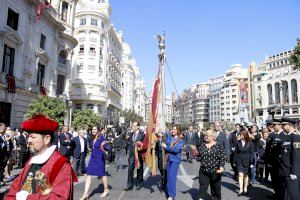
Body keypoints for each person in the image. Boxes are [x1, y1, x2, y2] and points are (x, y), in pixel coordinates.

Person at [5, 114, 77, 199]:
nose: (28, 140)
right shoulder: (32, 160)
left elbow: (60, 197)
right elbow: (15, 186)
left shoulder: (61, 164)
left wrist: (27, 198)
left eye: (32, 137)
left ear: (46, 139)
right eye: (28, 137)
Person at [80, 126, 110, 199]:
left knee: (102, 174)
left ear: (98, 130)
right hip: (92, 158)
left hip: (99, 158)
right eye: (92, 129)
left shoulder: (101, 137)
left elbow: (107, 147)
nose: (93, 130)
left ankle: (106, 190)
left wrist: (105, 144)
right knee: (89, 175)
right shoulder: (91, 137)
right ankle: (85, 194)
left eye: (95, 129)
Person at [197, 129, 226, 200]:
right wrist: (195, 152)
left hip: (215, 171)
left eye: (207, 135)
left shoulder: (219, 145)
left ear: (213, 137)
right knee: (202, 187)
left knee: (216, 190)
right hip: (204, 170)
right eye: (205, 135)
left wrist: (222, 167)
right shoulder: (202, 145)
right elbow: (199, 156)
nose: (205, 137)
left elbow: (222, 157)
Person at [161, 125, 184, 200]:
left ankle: (172, 195)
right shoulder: (169, 137)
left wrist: (166, 147)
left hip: (175, 160)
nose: (173, 130)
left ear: (178, 130)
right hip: (168, 159)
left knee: (172, 177)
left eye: (175, 129)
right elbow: (164, 141)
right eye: (172, 129)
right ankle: (168, 192)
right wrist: (160, 136)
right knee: (168, 177)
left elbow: (175, 150)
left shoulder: (180, 140)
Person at [124, 121, 145, 191]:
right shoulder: (130, 134)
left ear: (138, 127)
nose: (132, 127)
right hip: (132, 154)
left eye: (133, 125)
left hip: (139, 154)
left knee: (139, 169)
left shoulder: (142, 135)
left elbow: (144, 145)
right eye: (132, 125)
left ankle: (139, 183)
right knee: (130, 169)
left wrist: (140, 144)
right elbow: (127, 141)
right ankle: (129, 185)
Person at [235, 129, 254, 196]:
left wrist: (252, 162)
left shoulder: (250, 143)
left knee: (245, 175)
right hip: (239, 161)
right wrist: (235, 161)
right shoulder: (238, 142)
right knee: (240, 175)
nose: (240, 135)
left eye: (241, 134)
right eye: (240, 134)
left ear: (245, 135)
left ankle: (245, 189)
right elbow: (236, 152)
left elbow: (252, 153)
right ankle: (241, 190)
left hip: (247, 161)